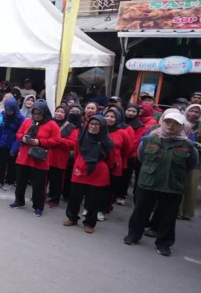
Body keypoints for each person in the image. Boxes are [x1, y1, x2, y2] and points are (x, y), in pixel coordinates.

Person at [125, 109, 199, 256]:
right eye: (167, 122)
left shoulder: (189, 145)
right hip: (148, 182)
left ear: (181, 126)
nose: (170, 125)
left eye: (175, 123)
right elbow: (141, 157)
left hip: (172, 185)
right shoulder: (149, 140)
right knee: (140, 211)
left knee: (168, 216)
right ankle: (133, 235)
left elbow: (192, 165)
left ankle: (164, 243)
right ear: (162, 123)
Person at [64, 115, 115, 233]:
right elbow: (76, 153)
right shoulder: (81, 138)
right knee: (75, 197)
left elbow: (111, 160)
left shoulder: (108, 142)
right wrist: (82, 163)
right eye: (92, 124)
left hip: (98, 173)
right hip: (80, 170)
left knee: (93, 201)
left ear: (102, 127)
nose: (93, 127)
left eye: (97, 125)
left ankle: (89, 223)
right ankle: (72, 217)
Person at [10, 100, 60, 216]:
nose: (36, 116)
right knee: (20, 181)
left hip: (39, 159)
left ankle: (38, 206)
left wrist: (39, 142)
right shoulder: (28, 121)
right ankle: (19, 201)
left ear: (45, 113)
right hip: (24, 157)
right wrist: (23, 138)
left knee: (39, 185)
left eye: (39, 114)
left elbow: (56, 140)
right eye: (34, 113)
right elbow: (19, 133)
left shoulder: (52, 124)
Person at [45, 106, 79, 208]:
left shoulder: (70, 127)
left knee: (57, 180)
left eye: (62, 112)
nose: (59, 114)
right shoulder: (49, 122)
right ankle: (42, 195)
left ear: (66, 114)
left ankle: (55, 199)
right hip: (46, 154)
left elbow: (73, 142)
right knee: (43, 178)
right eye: (57, 111)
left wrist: (59, 140)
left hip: (59, 157)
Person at [102, 108, 130, 222]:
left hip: (114, 165)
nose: (109, 118)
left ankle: (103, 209)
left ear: (117, 119)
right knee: (94, 188)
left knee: (108, 189)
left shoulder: (122, 133)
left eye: (112, 117)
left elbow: (126, 151)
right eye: (107, 116)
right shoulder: (99, 129)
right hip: (99, 163)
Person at [0, 97, 24, 191]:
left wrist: (14, 149)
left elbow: (21, 134)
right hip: (3, 143)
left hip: (14, 143)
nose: (9, 112)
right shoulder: (3, 114)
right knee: (1, 163)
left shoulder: (20, 118)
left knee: (12, 164)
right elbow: (0, 130)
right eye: (7, 110)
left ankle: (9, 182)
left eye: (11, 110)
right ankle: (0, 181)